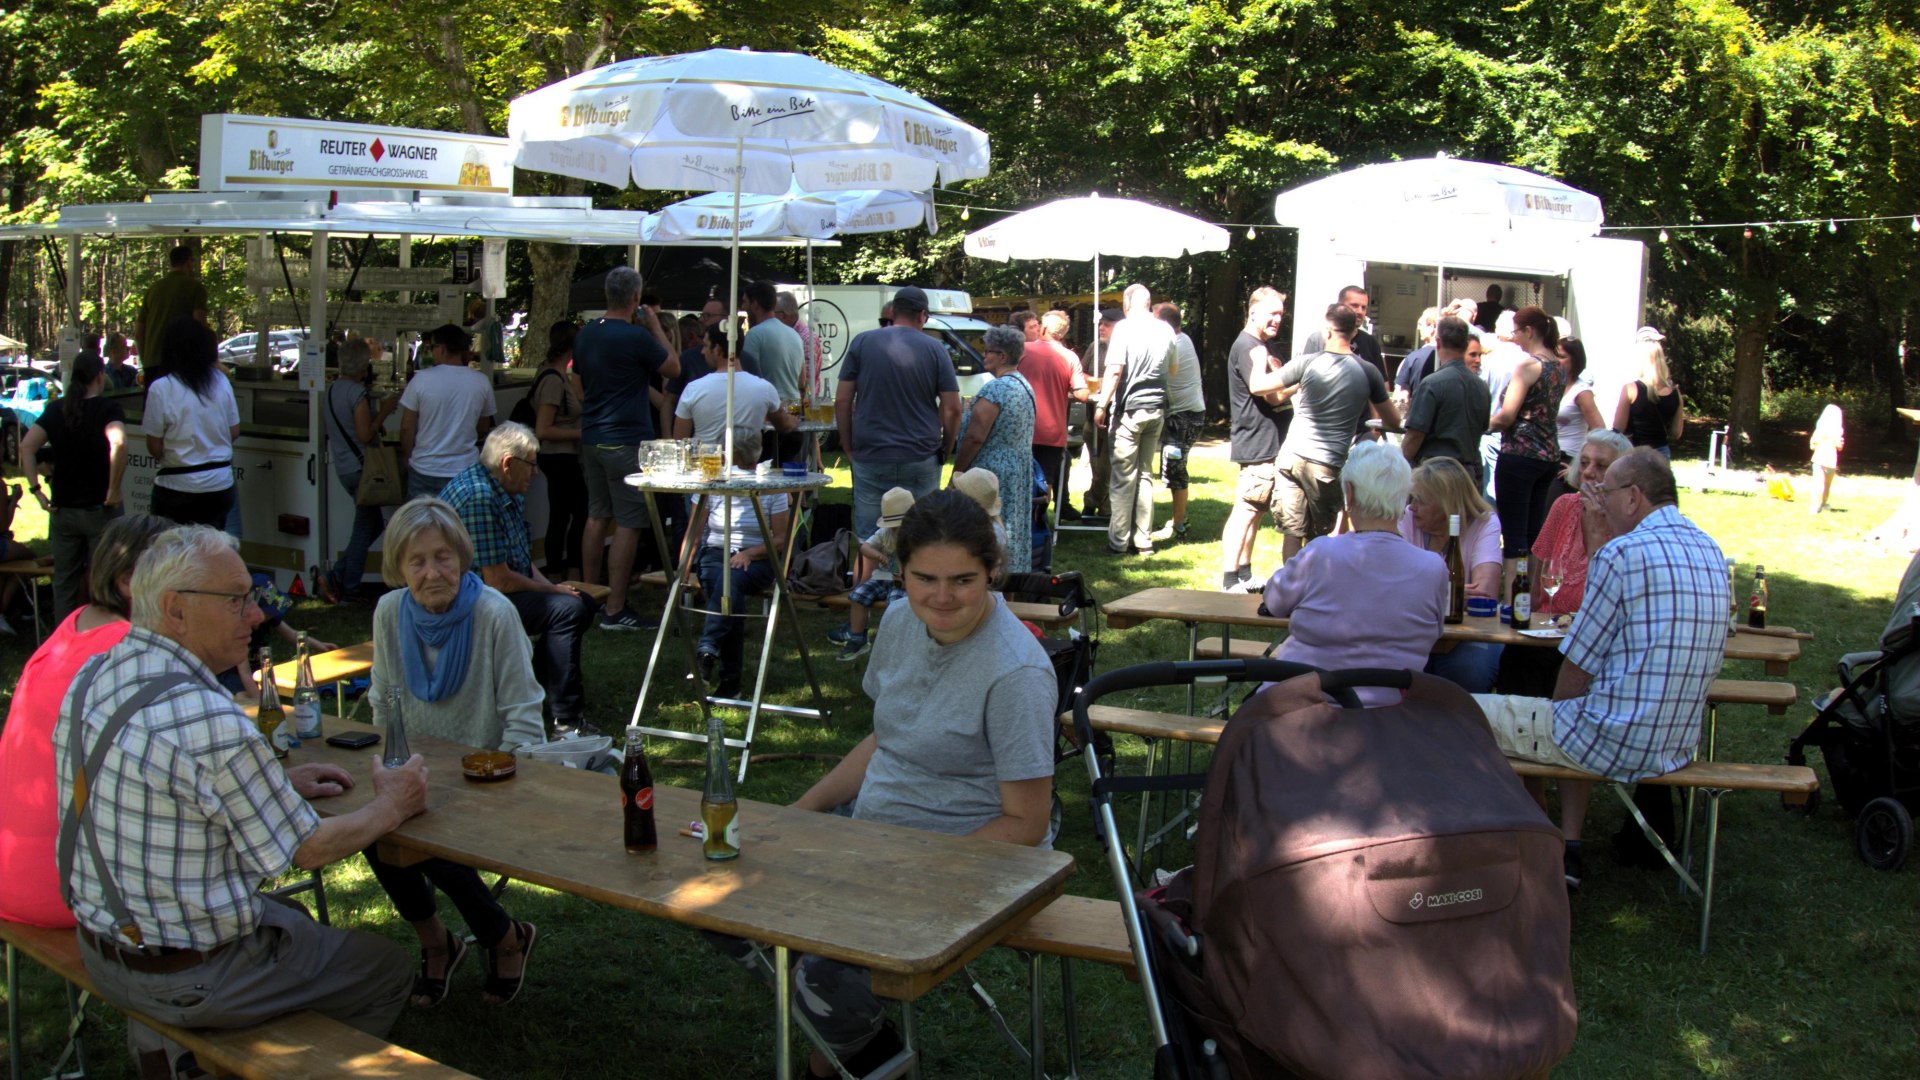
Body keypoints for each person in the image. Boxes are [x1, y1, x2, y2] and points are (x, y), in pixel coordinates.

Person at [708, 488, 1056, 1079]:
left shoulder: (1016, 672)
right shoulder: (898, 620)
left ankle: (844, 1055)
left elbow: (1027, 823)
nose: (942, 597)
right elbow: (884, 740)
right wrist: (797, 814)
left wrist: (913, 869)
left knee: (823, 971)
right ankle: (862, 1053)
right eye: (925, 578)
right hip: (874, 841)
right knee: (721, 900)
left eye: (964, 580)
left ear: (993, 571)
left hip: (970, 860)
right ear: (900, 571)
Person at [54, 526, 427, 1069]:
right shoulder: (209, 718)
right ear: (175, 610)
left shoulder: (92, 676)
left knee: (292, 916)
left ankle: (183, 1051)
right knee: (384, 969)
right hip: (187, 977)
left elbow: (161, 784)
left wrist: (269, 783)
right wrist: (394, 804)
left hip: (103, 952)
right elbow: (309, 849)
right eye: (236, 600)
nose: (256, 616)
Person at [1470, 449, 1728, 888]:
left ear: (1633, 498)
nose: (1601, 502)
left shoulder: (1621, 554)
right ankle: (1542, 845)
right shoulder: (1711, 550)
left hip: (1612, 739)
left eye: (1606, 493)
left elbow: (1578, 664)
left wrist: (1552, 722)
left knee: (1464, 712)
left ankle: (1506, 858)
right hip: (1677, 742)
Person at [366, 498, 541, 1007]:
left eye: (443, 557)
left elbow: (524, 714)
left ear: (462, 557)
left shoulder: (494, 613)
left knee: (428, 835)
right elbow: (382, 702)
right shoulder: (389, 611)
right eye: (416, 561)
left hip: (487, 772)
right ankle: (436, 941)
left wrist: (503, 781)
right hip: (415, 770)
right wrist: (387, 769)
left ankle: (505, 938)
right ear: (399, 568)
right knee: (375, 828)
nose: (431, 572)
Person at [0, 515, 171, 928]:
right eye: (178, 572)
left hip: (12, 871)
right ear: (128, 581)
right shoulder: (128, 651)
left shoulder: (74, 625)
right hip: (66, 887)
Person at [439, 423, 598, 736]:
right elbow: (498, 581)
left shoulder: (503, 487)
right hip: (464, 604)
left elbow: (522, 563)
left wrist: (554, 589)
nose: (536, 472)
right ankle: (564, 717)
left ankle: (533, 691)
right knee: (569, 610)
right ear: (508, 464)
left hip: (489, 592)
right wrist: (552, 592)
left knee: (580, 603)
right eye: (532, 463)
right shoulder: (480, 497)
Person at [1258, 441, 1446, 704]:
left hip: (1302, 708)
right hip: (1388, 715)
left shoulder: (1321, 553)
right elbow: (1436, 633)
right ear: (1405, 497)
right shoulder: (1433, 567)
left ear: (1350, 493)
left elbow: (1274, 601)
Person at [574, 266, 677, 631]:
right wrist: (655, 328)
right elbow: (674, 367)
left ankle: (590, 599)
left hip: (591, 437)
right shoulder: (637, 337)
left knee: (597, 516)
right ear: (635, 298)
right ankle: (616, 608)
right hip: (625, 439)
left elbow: (578, 382)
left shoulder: (586, 334)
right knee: (630, 524)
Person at [1497, 430, 1633, 697]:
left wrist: (1595, 534)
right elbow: (1535, 585)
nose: (1589, 472)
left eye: (1601, 466)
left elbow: (1610, 602)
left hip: (1592, 645)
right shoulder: (1564, 506)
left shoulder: (1627, 524)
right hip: (1544, 636)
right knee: (1517, 657)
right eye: (1584, 463)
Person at [1269, 303, 1397, 562]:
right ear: (1354, 332)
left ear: (1327, 331)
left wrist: (1273, 370)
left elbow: (1259, 386)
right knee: (1319, 537)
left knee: (1292, 533)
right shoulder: (1367, 371)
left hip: (1290, 457)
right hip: (1325, 465)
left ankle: (1290, 592)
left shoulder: (1306, 362)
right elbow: (1393, 420)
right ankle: (1316, 592)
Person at [835, 285, 960, 540]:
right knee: (921, 536)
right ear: (922, 314)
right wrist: (946, 449)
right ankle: (913, 579)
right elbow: (953, 408)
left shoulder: (862, 342)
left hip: (871, 453)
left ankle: (870, 579)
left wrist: (848, 447)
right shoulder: (936, 349)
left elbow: (842, 400)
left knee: (870, 537)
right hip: (921, 454)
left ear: (893, 311)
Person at [680, 429, 790, 698]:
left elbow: (781, 540)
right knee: (730, 595)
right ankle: (729, 683)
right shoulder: (714, 482)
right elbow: (694, 533)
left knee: (730, 583)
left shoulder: (771, 486)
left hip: (759, 558)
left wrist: (750, 553)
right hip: (717, 553)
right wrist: (682, 572)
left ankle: (707, 652)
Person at [22, 350, 127, 620]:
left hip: (63, 510)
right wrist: (114, 489)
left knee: (64, 583)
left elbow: (26, 448)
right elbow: (118, 442)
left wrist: (37, 492)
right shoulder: (108, 409)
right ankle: (102, 641)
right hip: (100, 509)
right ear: (100, 377)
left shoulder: (58, 409)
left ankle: (62, 648)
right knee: (105, 582)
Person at [1398, 458, 1505, 692]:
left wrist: (1422, 591)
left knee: (1468, 670)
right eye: (1411, 498)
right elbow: (1396, 585)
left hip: (1468, 633)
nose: (1412, 506)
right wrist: (1449, 592)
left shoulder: (1484, 523)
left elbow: (1484, 593)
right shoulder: (1408, 518)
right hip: (1417, 629)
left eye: (1421, 501)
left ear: (1447, 506)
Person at [1092, 284, 1173, 556]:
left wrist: (1102, 404)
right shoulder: (1165, 329)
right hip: (1157, 407)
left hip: (1129, 410)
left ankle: (1118, 542)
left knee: (1123, 477)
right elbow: (1171, 369)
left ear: (1127, 305)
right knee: (1146, 474)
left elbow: (1115, 371)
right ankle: (1144, 540)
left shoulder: (1125, 329)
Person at [1219, 287, 1290, 593]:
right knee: (1245, 510)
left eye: (1280, 315)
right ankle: (1229, 578)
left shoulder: (1264, 346)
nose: (1277, 320)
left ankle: (1245, 573)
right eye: (1272, 313)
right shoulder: (1250, 346)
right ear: (1253, 312)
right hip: (1257, 439)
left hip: (1269, 439)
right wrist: (1300, 380)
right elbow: (1268, 393)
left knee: (1257, 510)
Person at [319, 337, 400, 604]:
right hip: (363, 468)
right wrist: (384, 413)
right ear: (363, 367)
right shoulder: (357, 394)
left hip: (344, 466)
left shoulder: (331, 390)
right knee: (364, 529)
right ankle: (348, 588)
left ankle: (339, 575)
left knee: (370, 524)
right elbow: (365, 434)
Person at [1490, 305, 1567, 566]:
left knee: (1513, 535)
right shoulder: (1558, 367)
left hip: (1519, 455)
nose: (1514, 338)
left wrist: (1478, 423)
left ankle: (1514, 598)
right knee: (1534, 533)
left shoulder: (1527, 366)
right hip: (1549, 456)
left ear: (1529, 331)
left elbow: (1506, 417)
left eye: (1516, 333)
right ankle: (1532, 596)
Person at [143, 317, 238, 528]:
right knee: (212, 549)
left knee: (172, 548)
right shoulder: (221, 381)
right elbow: (234, 430)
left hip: (177, 486)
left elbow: (154, 446)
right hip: (220, 484)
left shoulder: (162, 388)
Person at [953, 324, 1035, 572]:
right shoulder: (1023, 385)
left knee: (988, 531)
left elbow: (975, 436)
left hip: (992, 473)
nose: (984, 355)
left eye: (989, 351)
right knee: (1010, 530)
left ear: (1002, 356)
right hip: (1017, 471)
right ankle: (1008, 590)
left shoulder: (996, 388)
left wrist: (957, 472)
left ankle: (989, 591)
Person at [399, 323, 496, 500]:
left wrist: (407, 458)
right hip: (465, 470)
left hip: (424, 468)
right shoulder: (481, 382)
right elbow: (483, 427)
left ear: (442, 349)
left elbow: (407, 427)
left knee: (421, 526)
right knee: (459, 526)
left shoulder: (420, 380)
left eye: (432, 347)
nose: (431, 352)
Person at [673, 325, 799, 445]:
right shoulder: (765, 388)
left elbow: (680, 441)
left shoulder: (693, 389)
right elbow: (784, 425)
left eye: (706, 345)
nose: (702, 351)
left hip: (707, 464)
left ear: (717, 350)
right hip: (746, 464)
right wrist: (793, 420)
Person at [1400, 316, 1491, 481]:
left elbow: (1415, 435)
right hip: (1467, 475)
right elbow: (1483, 427)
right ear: (1465, 345)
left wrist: (1399, 468)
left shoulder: (1432, 384)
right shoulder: (1482, 387)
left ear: (1438, 342)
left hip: (1435, 475)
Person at [1017, 310, 1088, 520]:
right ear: (1063, 334)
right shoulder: (1069, 357)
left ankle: (1020, 520)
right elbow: (1082, 395)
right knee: (1045, 479)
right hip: (1051, 431)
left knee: (1020, 477)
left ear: (1044, 328)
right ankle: (1040, 522)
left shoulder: (1022, 350)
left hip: (1022, 426)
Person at [831, 486, 913, 662]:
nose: (894, 530)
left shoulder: (921, 536)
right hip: (884, 578)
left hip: (909, 582)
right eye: (891, 526)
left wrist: (908, 577)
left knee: (895, 604)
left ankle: (897, 644)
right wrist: (877, 555)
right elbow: (864, 547)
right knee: (859, 595)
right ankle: (857, 638)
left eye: (897, 526)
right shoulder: (884, 533)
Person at [531, 321, 586, 580]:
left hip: (564, 455)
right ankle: (562, 570)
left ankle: (564, 569)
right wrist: (581, 434)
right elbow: (543, 429)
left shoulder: (560, 376)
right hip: (558, 456)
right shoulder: (552, 380)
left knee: (566, 514)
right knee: (571, 514)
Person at [1155, 302, 1206, 543]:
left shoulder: (1174, 344)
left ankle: (1179, 523)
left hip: (1184, 416)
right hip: (1184, 414)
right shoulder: (1181, 340)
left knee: (1175, 468)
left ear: (1164, 324)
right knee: (1173, 467)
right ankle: (1179, 519)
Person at [741, 279, 806, 463]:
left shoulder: (755, 334)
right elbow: (802, 381)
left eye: (745, 302)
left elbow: (748, 380)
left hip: (770, 420)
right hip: (793, 414)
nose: (742, 307)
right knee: (784, 484)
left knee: (762, 484)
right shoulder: (794, 334)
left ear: (755, 304)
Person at [133, 246, 208, 384]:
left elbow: (138, 332)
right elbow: (200, 326)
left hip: (152, 364)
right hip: (180, 365)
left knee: (153, 404)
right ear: (188, 262)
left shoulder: (153, 289)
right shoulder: (195, 288)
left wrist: (147, 359)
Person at [1549, 336, 1606, 503]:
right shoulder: (1552, 386)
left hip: (1566, 460)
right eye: (1555, 355)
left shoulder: (1581, 392)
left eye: (1562, 356)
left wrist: (1577, 467)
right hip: (1547, 458)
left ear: (1575, 361)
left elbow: (1600, 431)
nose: (1557, 360)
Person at [1612, 327, 1685, 457]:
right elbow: (1676, 433)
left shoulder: (1631, 389)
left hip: (1634, 453)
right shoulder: (1675, 393)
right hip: (1661, 454)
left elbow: (1618, 429)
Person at [1810, 403, 1844, 514]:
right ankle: (1823, 503)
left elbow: (1812, 446)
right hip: (1831, 461)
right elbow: (1840, 447)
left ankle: (1815, 506)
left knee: (1818, 483)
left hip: (1819, 459)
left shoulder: (1819, 431)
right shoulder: (1837, 432)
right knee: (1827, 485)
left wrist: (1817, 445)